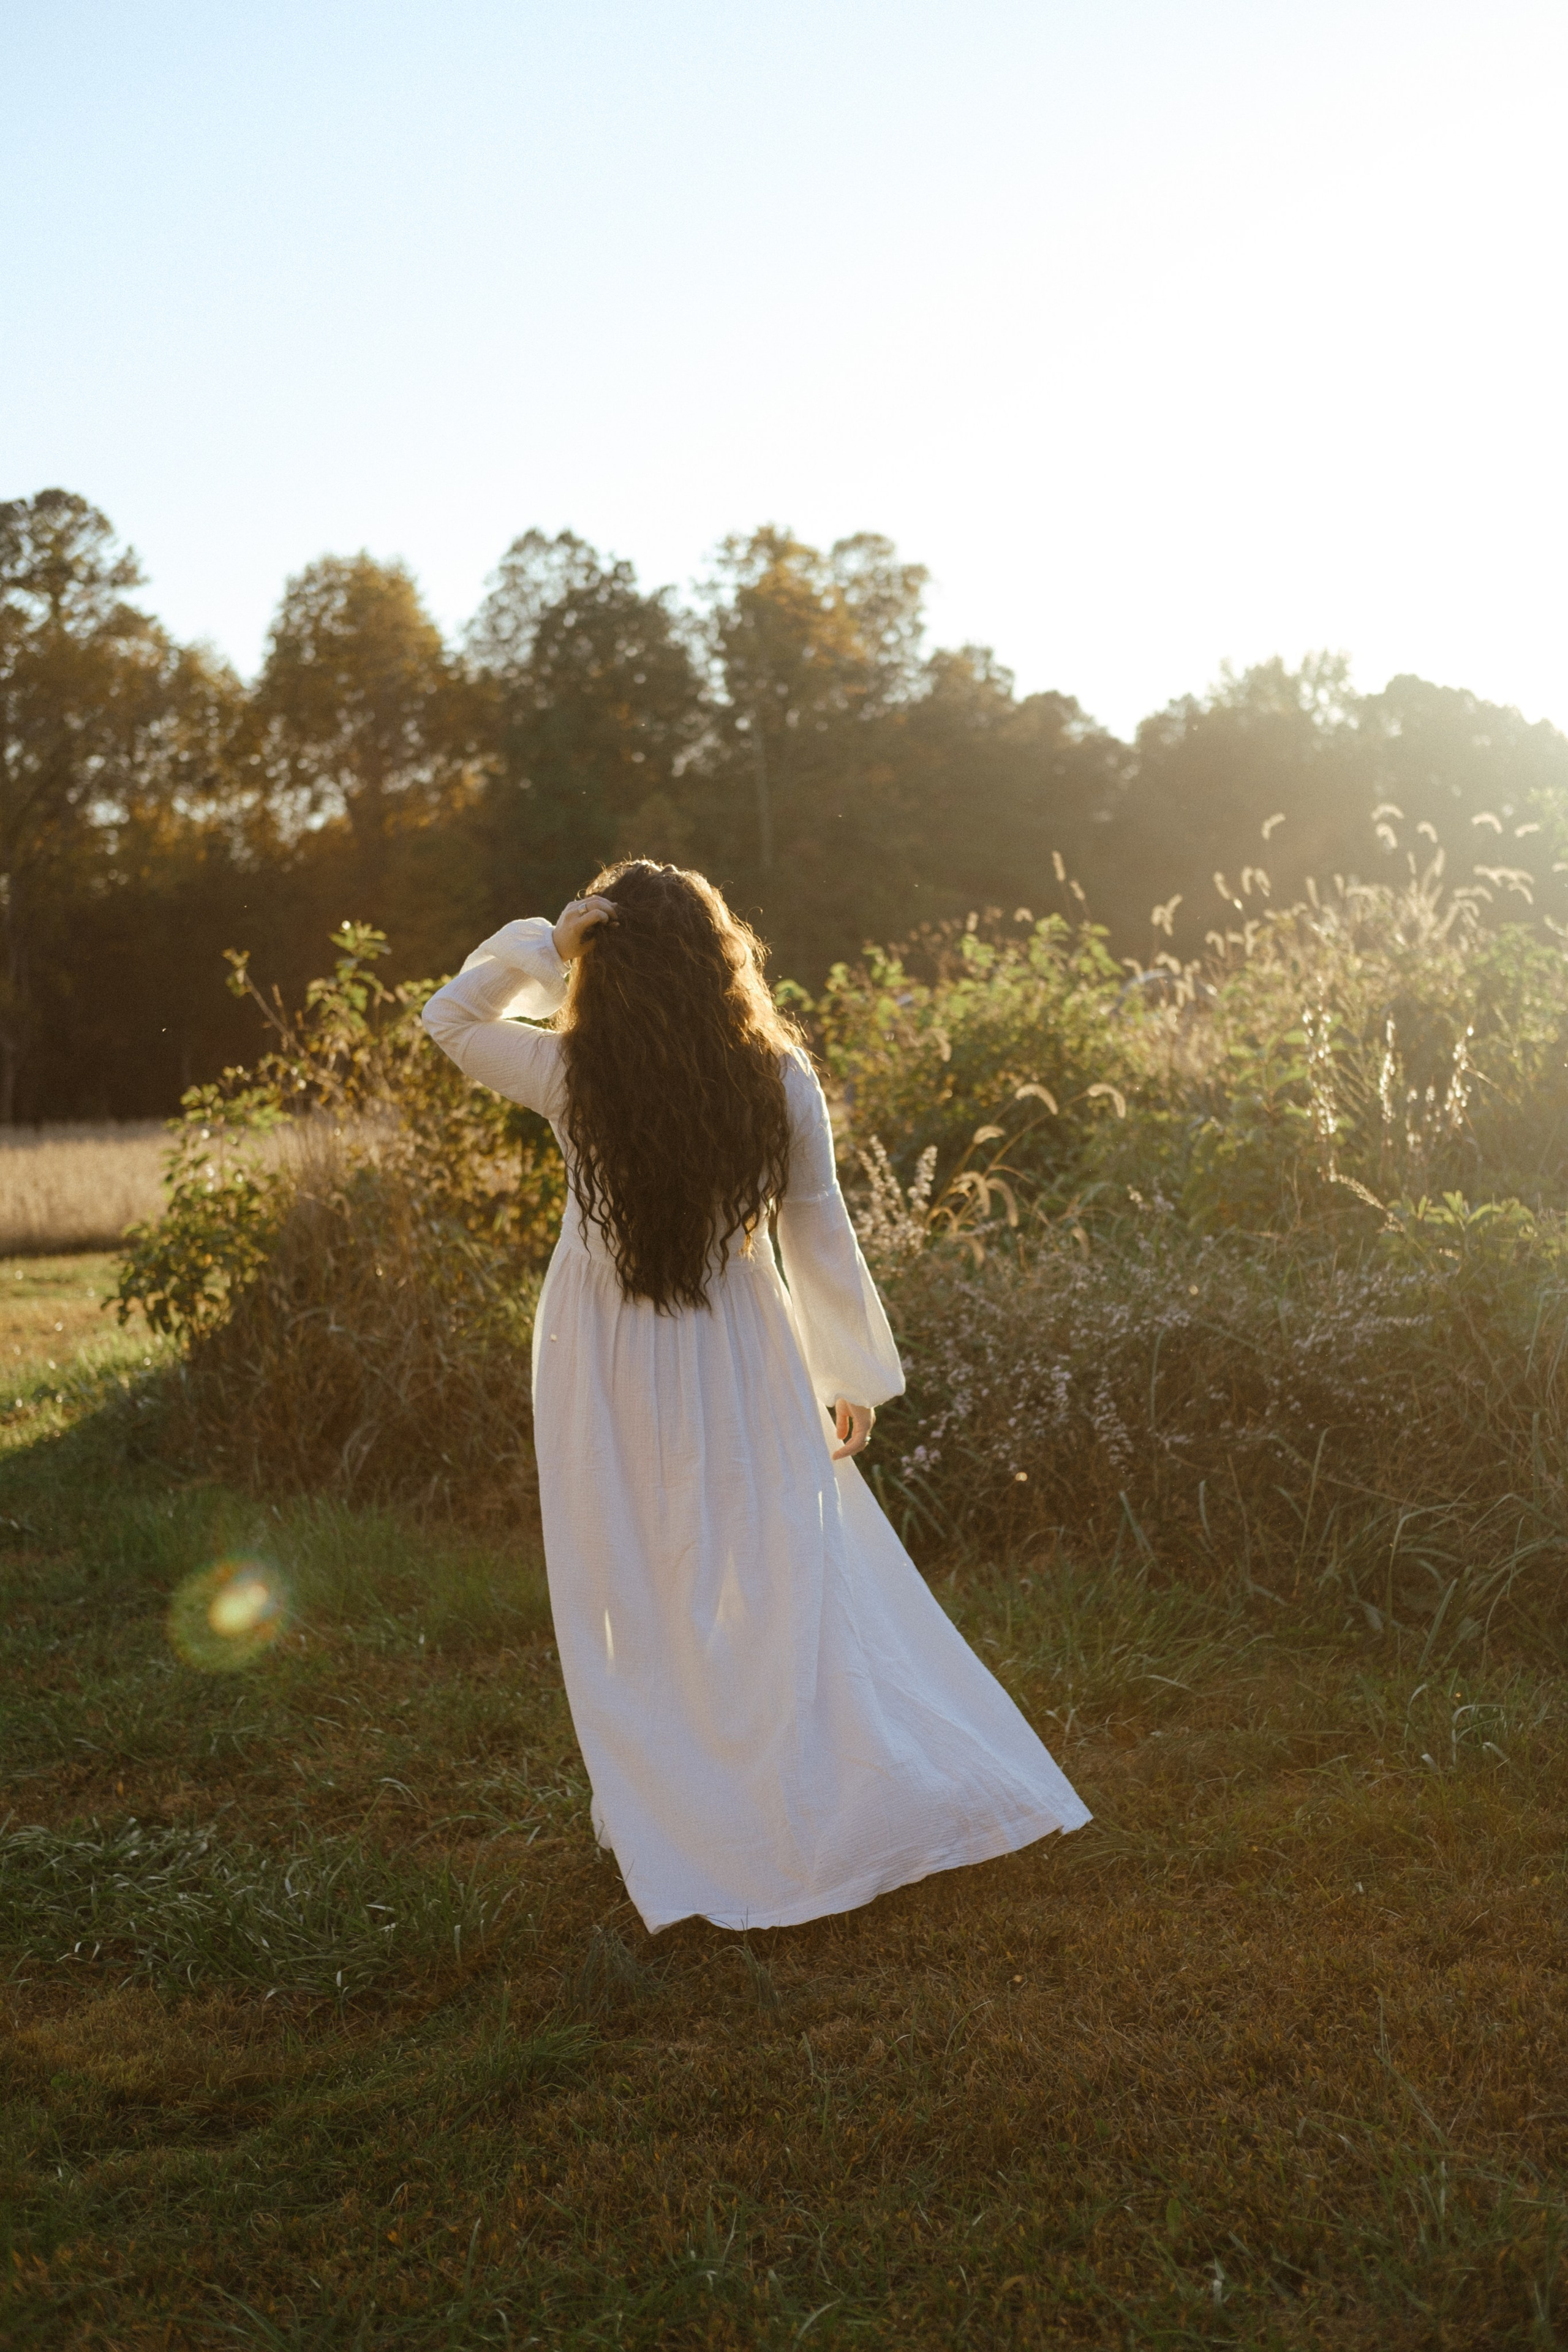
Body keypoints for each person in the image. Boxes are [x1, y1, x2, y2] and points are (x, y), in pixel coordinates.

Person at [421, 861, 1088, 1933]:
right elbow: (818, 1229)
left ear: (609, 964)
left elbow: (450, 1020)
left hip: (608, 1348)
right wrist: (845, 1374)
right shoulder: (776, 1075)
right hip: (742, 1338)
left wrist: (549, 945)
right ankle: (747, 1778)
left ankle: (694, 1794)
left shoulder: (574, 1072)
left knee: (638, 1565)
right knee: (773, 1559)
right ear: (718, 957)